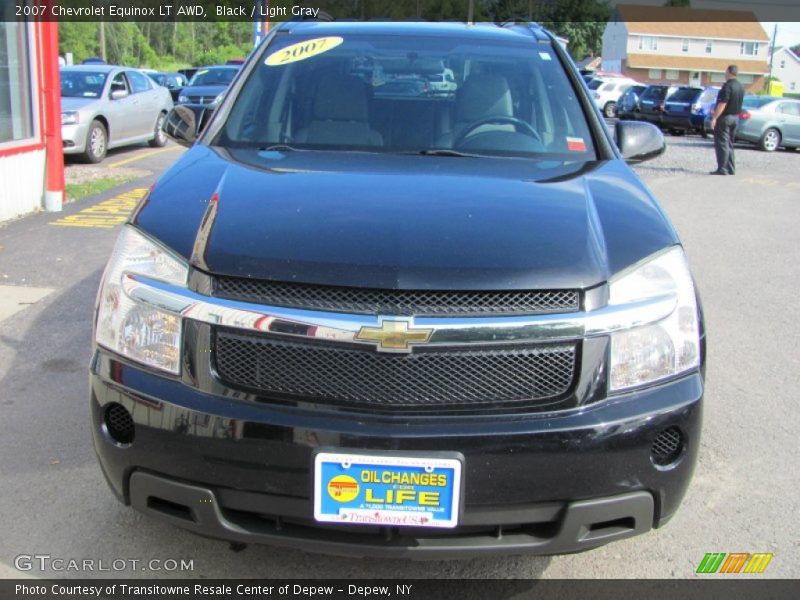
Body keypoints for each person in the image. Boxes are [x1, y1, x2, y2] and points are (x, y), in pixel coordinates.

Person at [710, 64, 745, 175]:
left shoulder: (727, 86)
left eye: (726, 71)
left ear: (729, 72)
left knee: (722, 143)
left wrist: (714, 117)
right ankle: (731, 168)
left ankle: (722, 168)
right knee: (729, 143)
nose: (725, 73)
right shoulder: (740, 86)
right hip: (735, 118)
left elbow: (723, 103)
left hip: (725, 118)